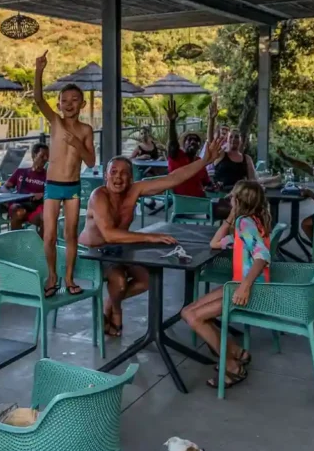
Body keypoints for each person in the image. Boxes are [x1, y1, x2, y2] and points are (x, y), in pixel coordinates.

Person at [82, 143, 222, 336]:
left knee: (148, 281)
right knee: (120, 282)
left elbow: (173, 178)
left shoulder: (134, 190)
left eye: (124, 173)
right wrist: (151, 236)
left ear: (131, 178)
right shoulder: (99, 196)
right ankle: (114, 309)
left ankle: (112, 300)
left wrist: (205, 161)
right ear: (105, 175)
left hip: (118, 249)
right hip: (93, 253)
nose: (118, 177)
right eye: (113, 172)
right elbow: (109, 234)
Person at [182, 181, 273, 390]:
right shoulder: (249, 222)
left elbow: (262, 255)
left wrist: (245, 287)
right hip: (239, 285)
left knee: (193, 316)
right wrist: (230, 218)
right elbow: (214, 244)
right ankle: (237, 352)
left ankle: (232, 366)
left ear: (238, 201)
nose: (229, 200)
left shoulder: (245, 224)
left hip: (250, 289)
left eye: (232, 198)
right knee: (187, 312)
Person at [34, 51, 96, 298]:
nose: (69, 104)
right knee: (48, 235)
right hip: (52, 185)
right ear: (59, 103)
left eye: (74, 100)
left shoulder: (86, 129)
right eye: (64, 100)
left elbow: (91, 162)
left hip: (73, 187)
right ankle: (52, 276)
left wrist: (78, 145)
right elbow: (38, 99)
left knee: (70, 234)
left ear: (82, 104)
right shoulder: (56, 123)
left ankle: (69, 277)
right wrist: (39, 70)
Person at [165, 108, 209, 198]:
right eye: (189, 139)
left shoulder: (199, 161)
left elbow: (207, 183)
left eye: (196, 140)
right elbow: (173, 142)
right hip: (182, 202)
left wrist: (214, 186)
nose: (193, 142)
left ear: (199, 146)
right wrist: (172, 122)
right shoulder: (176, 155)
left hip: (200, 200)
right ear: (184, 144)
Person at [4, 143, 48, 232]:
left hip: (36, 206)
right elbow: (5, 187)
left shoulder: (47, 175)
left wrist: (42, 194)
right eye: (42, 156)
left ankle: (40, 244)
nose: (45, 159)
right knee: (17, 211)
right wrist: (9, 196)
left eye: (47, 156)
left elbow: (53, 192)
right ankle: (18, 242)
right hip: (20, 204)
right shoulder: (22, 171)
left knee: (47, 217)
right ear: (34, 155)